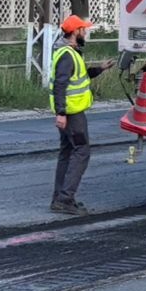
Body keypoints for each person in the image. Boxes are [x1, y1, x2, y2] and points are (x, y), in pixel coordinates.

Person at [50, 14, 114, 214]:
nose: (86, 32)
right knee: (81, 151)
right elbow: (61, 84)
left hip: (70, 112)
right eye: (83, 29)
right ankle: (65, 199)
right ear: (75, 32)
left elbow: (80, 74)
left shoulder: (69, 53)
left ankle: (59, 198)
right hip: (72, 114)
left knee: (67, 152)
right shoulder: (68, 55)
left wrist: (100, 69)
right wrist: (61, 113)